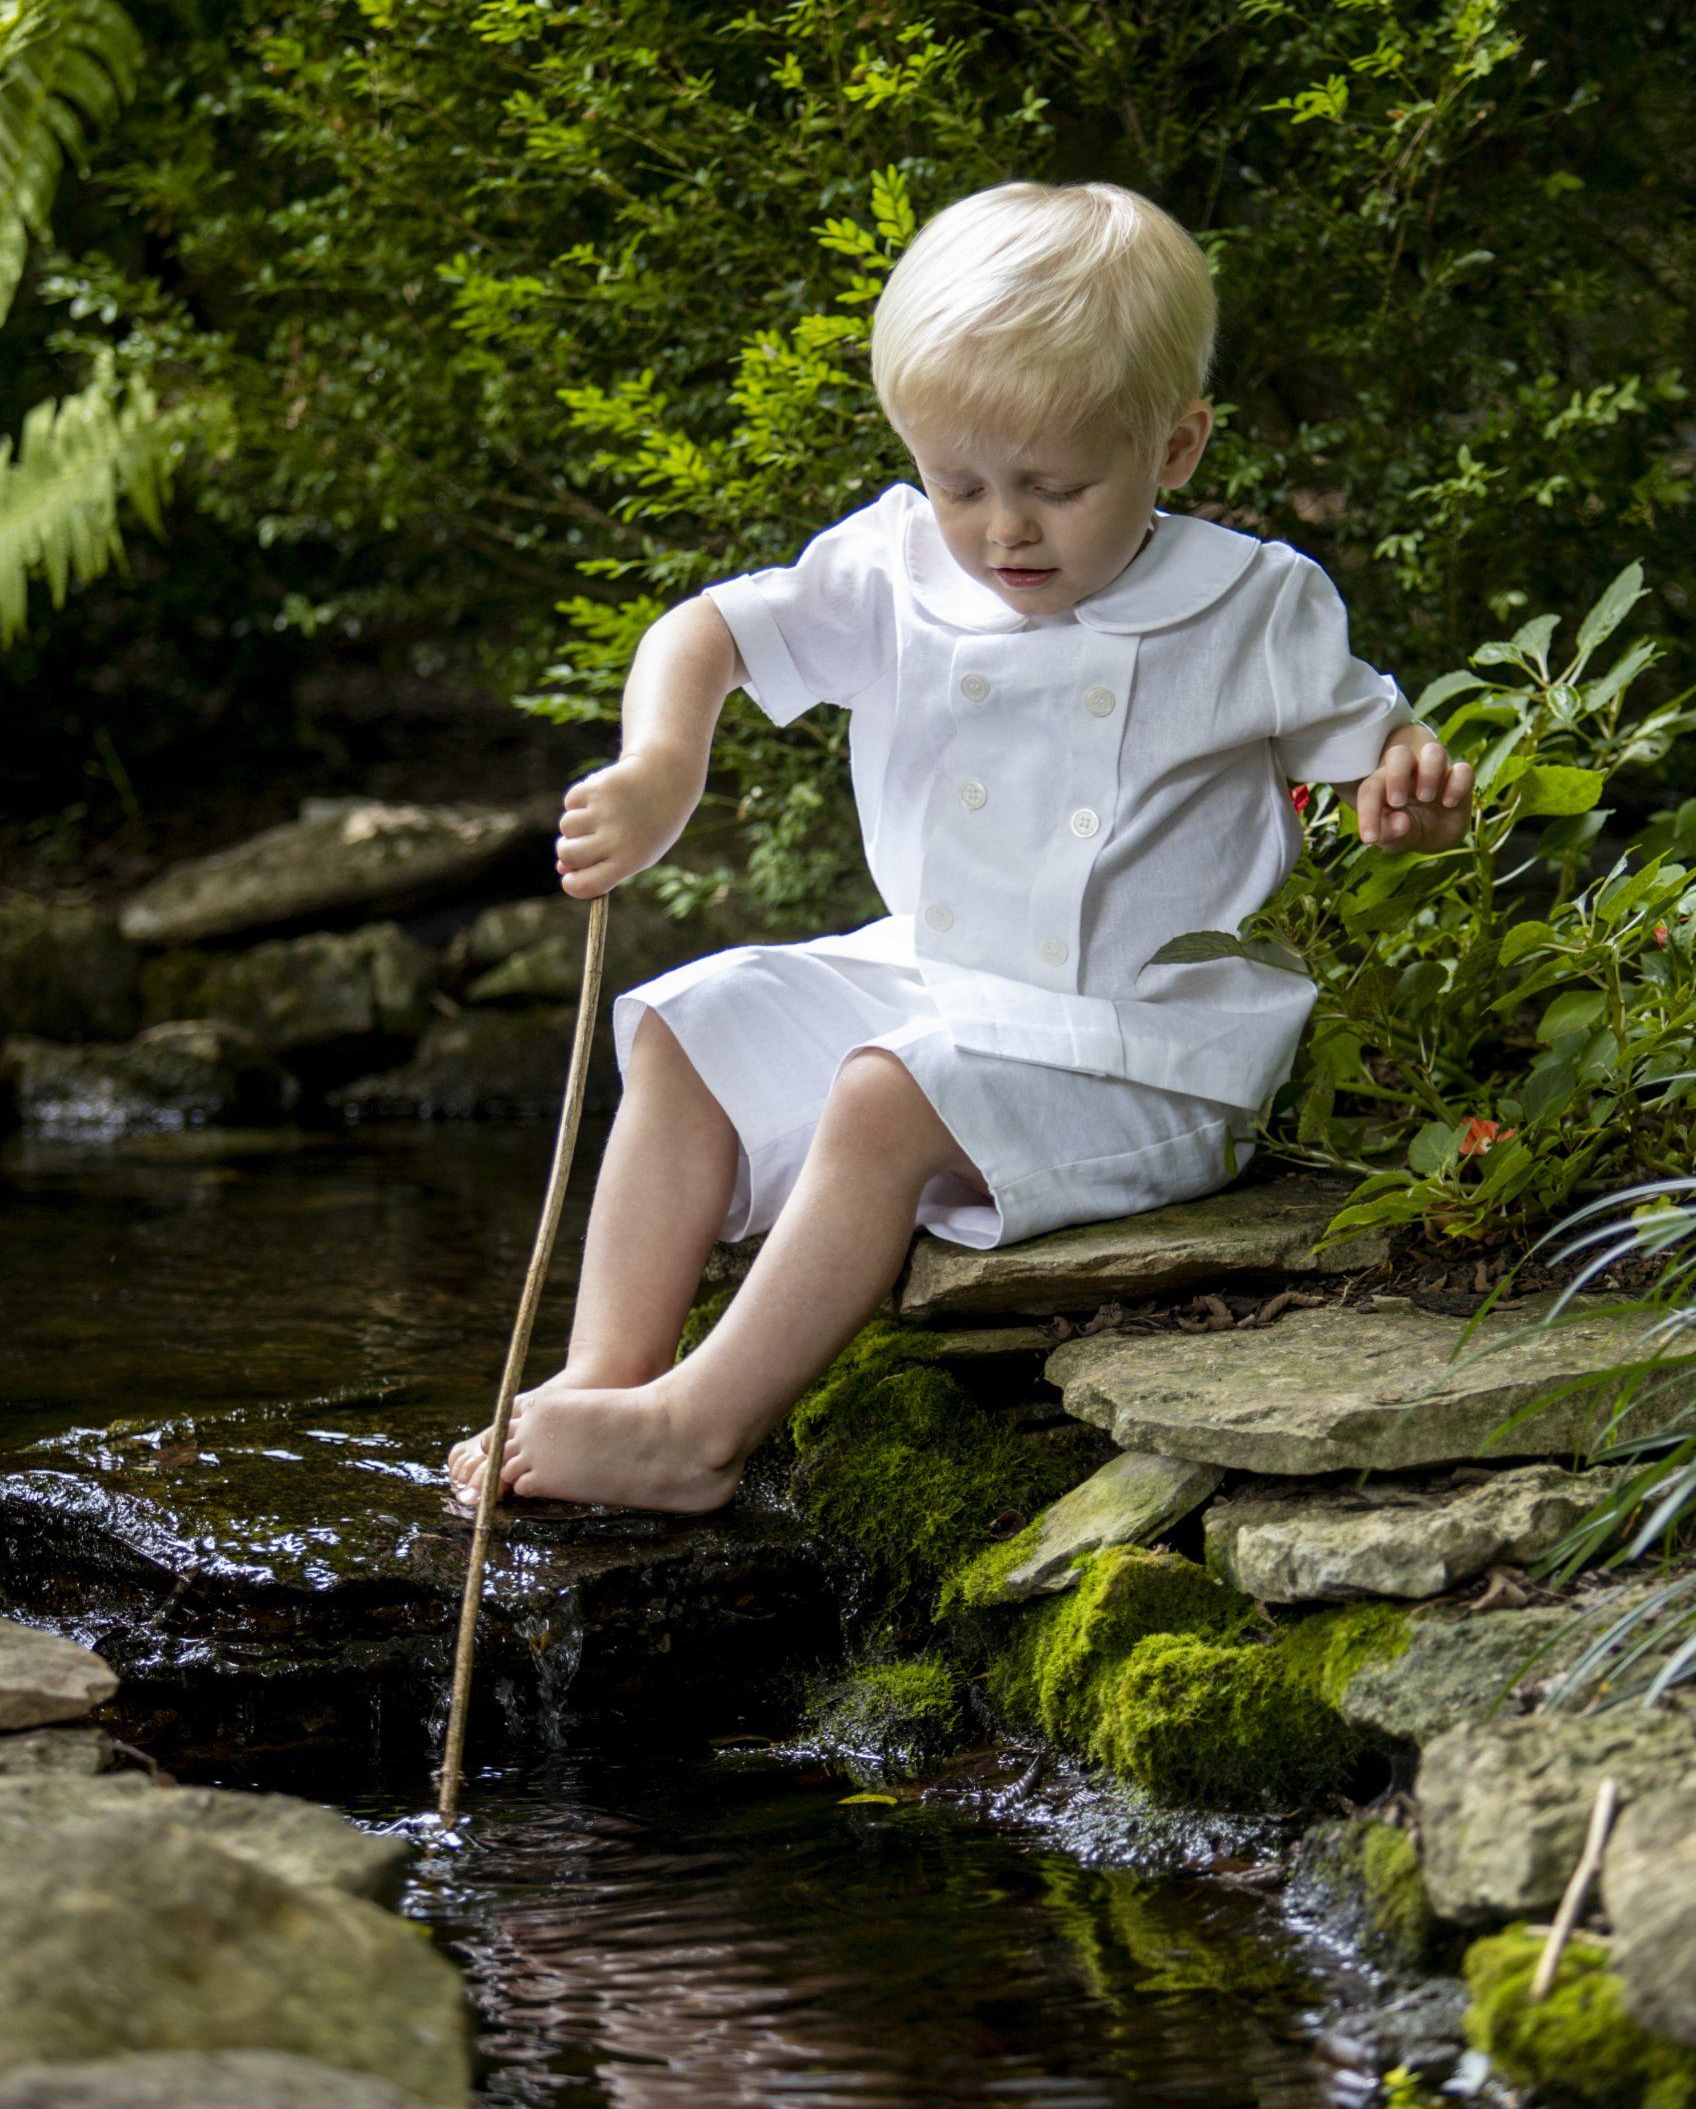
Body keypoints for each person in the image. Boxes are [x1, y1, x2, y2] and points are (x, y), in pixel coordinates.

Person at [446, 181, 1473, 1514]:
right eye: (961, 484)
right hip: (940, 978)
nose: (1003, 530)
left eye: (1057, 487)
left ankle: (699, 1430)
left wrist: (1409, 798)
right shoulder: (898, 569)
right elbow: (706, 630)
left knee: (883, 1095)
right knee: (692, 1023)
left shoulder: (1249, 603)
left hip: (1147, 1046)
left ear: (1176, 446)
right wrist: (661, 767)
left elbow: (1381, 753)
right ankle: (608, 1376)